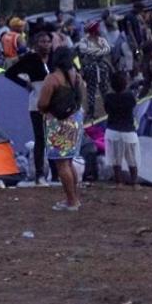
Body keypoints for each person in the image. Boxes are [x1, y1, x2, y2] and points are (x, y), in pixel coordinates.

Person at [38, 48, 87, 211]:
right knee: (69, 161)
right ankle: (74, 198)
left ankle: (71, 201)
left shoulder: (52, 79)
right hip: (74, 121)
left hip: (57, 123)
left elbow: (42, 103)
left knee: (62, 165)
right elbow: (81, 98)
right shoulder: (77, 77)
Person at [6, 30, 55, 184]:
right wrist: (25, 84)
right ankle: (39, 174)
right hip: (37, 104)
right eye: (42, 42)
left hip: (55, 105)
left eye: (48, 41)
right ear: (35, 44)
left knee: (54, 138)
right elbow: (10, 73)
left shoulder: (55, 58)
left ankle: (56, 172)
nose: (45, 45)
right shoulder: (30, 59)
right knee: (40, 138)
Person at [104, 72, 140, 187]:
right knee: (132, 158)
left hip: (112, 130)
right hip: (128, 131)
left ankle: (119, 182)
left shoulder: (108, 97)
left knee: (116, 158)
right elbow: (134, 106)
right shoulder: (129, 97)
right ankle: (134, 182)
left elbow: (107, 110)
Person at [78, 21, 112, 120]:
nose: (99, 30)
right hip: (90, 68)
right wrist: (99, 51)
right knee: (91, 90)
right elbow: (83, 50)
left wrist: (95, 52)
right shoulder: (84, 41)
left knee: (104, 88)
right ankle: (91, 112)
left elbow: (108, 49)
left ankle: (109, 109)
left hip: (101, 67)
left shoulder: (101, 40)